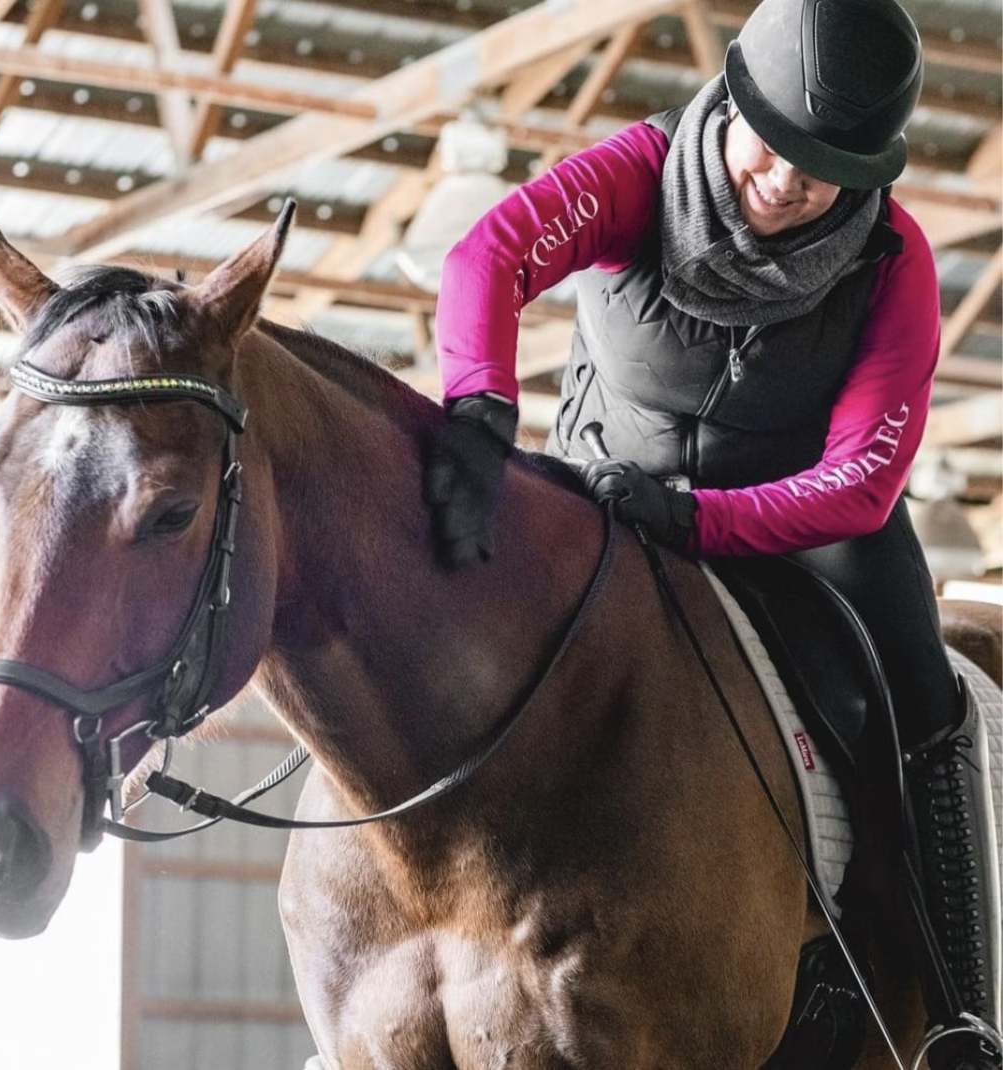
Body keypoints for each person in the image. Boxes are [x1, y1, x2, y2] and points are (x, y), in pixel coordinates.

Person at [421, 0, 1002, 1066]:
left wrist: (700, 519)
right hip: (605, 482)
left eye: (823, 170)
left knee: (927, 687)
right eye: (774, 149)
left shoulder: (894, 262)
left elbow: (862, 480)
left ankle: (964, 1001)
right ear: (732, 103)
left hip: (801, 520)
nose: (788, 181)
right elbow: (486, 257)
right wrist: (477, 407)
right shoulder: (637, 172)